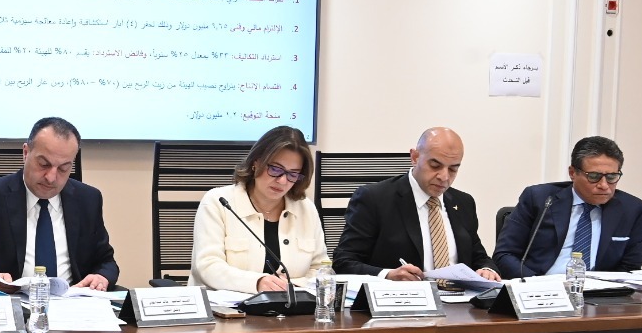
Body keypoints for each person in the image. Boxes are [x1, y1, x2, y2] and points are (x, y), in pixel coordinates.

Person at [0, 117, 119, 291]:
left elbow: (106, 262)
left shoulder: (88, 199)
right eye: (44, 164)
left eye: (63, 168)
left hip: (72, 302)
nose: (51, 177)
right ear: (26, 153)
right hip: (11, 302)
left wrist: (102, 277)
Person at [332, 127, 502, 283]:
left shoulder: (463, 202)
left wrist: (487, 270)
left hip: (461, 300)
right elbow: (344, 261)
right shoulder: (374, 199)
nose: (444, 177)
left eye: (453, 169)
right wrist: (387, 275)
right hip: (404, 300)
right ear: (414, 157)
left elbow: (478, 256)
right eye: (435, 165)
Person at [191, 124, 328, 292]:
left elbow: (321, 268)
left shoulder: (306, 209)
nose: (282, 181)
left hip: (291, 305)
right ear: (256, 162)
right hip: (226, 306)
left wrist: (290, 286)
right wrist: (257, 282)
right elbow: (208, 266)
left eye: (292, 174)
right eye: (275, 169)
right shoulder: (218, 202)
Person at [494, 135, 642, 278]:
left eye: (611, 177)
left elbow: (631, 266)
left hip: (599, 292)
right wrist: (538, 284)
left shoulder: (633, 209)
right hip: (540, 287)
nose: (604, 185)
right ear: (573, 173)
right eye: (594, 176)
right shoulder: (540, 199)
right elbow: (505, 255)